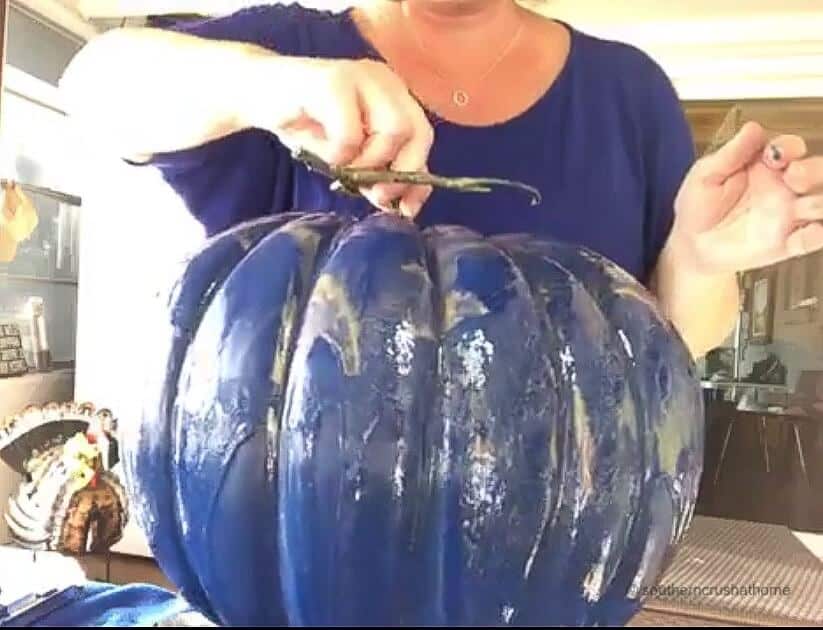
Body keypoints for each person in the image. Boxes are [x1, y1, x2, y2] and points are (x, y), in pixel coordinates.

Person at [60, 0, 823, 359]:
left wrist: (697, 258)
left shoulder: (627, 92)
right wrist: (264, 86)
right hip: (313, 546)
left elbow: (665, 348)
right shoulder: (289, 46)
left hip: (557, 544)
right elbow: (94, 82)